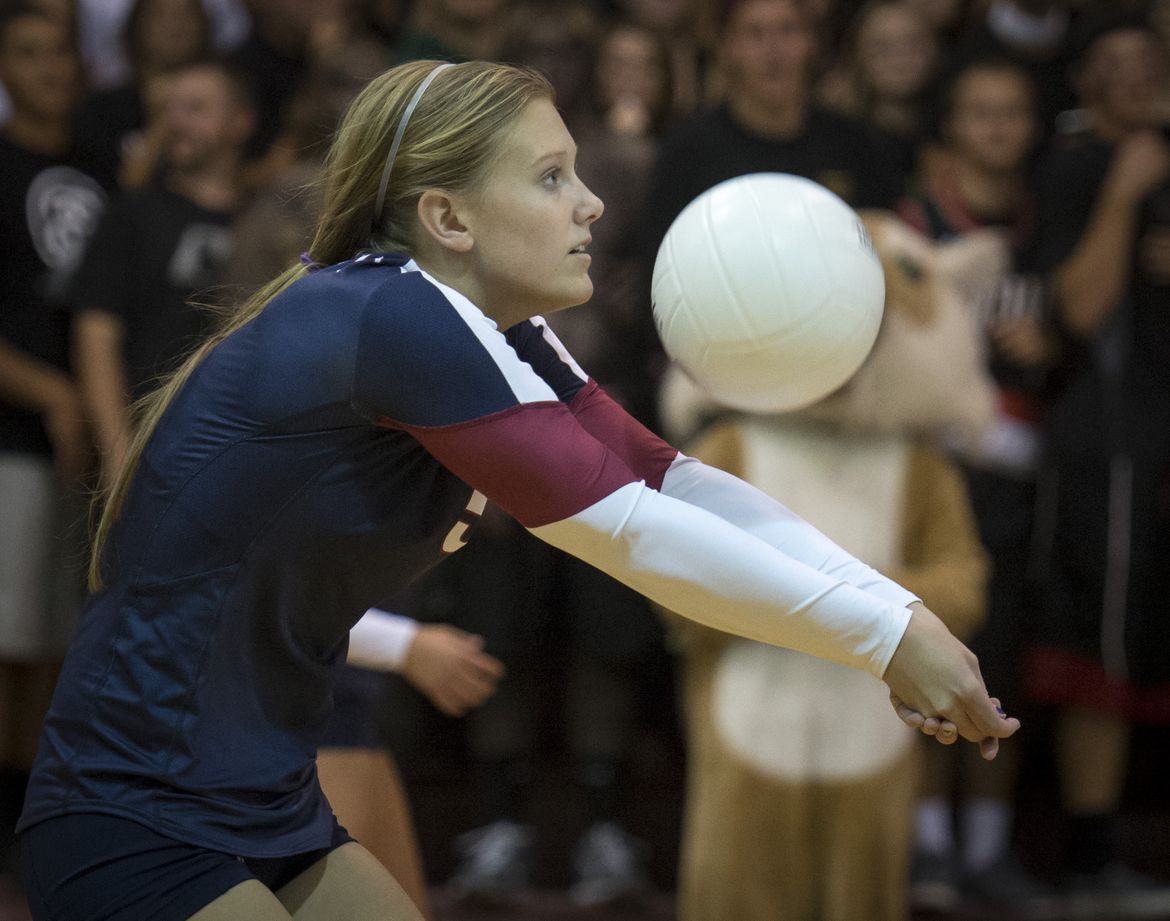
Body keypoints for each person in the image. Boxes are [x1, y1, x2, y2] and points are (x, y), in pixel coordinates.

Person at [17, 58, 1016, 921]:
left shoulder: (489, 330)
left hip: (267, 802)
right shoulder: (389, 316)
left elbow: (671, 480)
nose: (593, 204)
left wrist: (898, 613)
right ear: (447, 217)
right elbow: (627, 534)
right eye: (551, 177)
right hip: (133, 810)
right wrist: (881, 642)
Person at [897, 57, 1057, 914]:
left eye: (1011, 112)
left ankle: (988, 850)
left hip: (1033, 476)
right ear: (952, 126)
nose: (995, 128)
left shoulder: (1049, 223)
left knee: (1012, 662)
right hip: (939, 470)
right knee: (934, 649)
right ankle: (926, 846)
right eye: (978, 112)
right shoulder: (915, 224)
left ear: (1032, 126)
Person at [1026, 12, 1170, 915]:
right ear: (1081, 81)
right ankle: (1087, 858)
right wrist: (1126, 194)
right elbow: (1073, 310)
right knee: (1102, 654)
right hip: (1109, 439)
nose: (1126, 78)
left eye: (1141, 62)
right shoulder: (1080, 168)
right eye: (1106, 66)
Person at [0, 2, 105, 906]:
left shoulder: (105, 160)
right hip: (15, 441)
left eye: (58, 54)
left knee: (53, 650)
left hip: (92, 451)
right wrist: (56, 394)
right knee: (9, 645)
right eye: (27, 54)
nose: (47, 69)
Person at [71, 57, 254, 491]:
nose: (176, 122)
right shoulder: (133, 211)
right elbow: (96, 333)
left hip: (242, 464)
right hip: (151, 452)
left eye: (196, 108)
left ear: (240, 122)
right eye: (168, 110)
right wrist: (119, 455)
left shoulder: (267, 219)